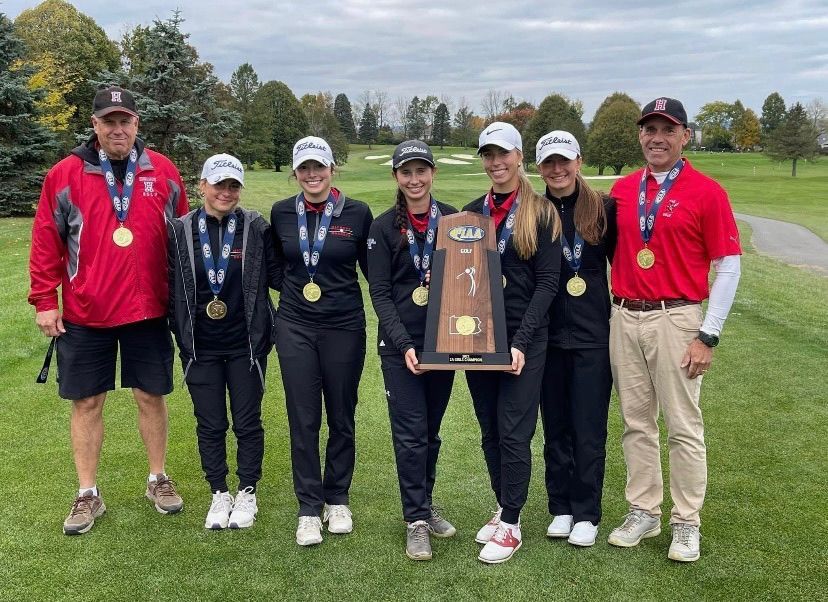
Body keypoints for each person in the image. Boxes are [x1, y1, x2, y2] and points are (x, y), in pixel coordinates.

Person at [28, 86, 189, 535]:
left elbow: (182, 241)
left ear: (137, 124)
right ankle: (87, 493)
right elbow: (46, 241)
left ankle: (157, 478)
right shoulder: (65, 174)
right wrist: (45, 299)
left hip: (148, 310)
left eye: (126, 121)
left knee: (150, 396)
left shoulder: (164, 171)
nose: (118, 129)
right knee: (87, 401)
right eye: (109, 121)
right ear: (95, 125)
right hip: (86, 312)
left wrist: (182, 299)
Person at [606, 97, 741, 562]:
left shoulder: (707, 192)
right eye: (650, 129)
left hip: (678, 316)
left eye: (668, 130)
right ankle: (644, 510)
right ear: (640, 135)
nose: (657, 138)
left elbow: (727, 266)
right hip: (624, 314)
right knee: (636, 423)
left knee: (683, 425)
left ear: (685, 136)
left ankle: (686, 522)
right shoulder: (622, 191)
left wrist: (708, 334)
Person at [463, 122, 561, 564]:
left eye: (503, 154)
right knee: (489, 429)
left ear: (520, 157)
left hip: (524, 340)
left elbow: (547, 284)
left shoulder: (540, 213)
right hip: (478, 339)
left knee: (514, 431)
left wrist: (521, 341)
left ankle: (513, 523)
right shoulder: (469, 214)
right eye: (488, 155)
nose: (496, 162)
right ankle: (503, 507)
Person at [168, 154, 280, 529]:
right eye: (219, 185)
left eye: (233, 186)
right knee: (210, 423)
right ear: (202, 186)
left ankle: (247, 491)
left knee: (248, 422)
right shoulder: (179, 230)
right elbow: (168, 286)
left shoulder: (256, 228)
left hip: (245, 346)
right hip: (200, 346)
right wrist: (178, 330)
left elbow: (280, 276)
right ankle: (219, 492)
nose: (226, 192)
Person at [270, 136, 373, 546]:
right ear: (296, 173)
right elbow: (275, 269)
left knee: (342, 414)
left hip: (344, 326)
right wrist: (298, 291)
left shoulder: (357, 213)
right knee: (303, 416)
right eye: (304, 168)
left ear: (332, 169)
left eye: (320, 166)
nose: (312, 175)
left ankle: (338, 497)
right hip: (295, 325)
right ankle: (309, 507)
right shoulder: (281, 213)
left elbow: (373, 272)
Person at [366, 141, 458, 561]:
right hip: (400, 348)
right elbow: (381, 293)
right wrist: (403, 343)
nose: (414, 180)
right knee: (409, 433)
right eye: (406, 173)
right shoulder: (384, 227)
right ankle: (415, 520)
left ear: (433, 173)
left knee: (430, 433)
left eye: (421, 171)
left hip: (445, 345)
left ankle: (425, 502)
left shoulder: (456, 221)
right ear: (396, 178)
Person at [535, 131, 616, 548]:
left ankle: (587, 512)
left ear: (579, 161)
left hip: (592, 337)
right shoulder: (534, 211)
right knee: (556, 426)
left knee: (588, 427)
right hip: (547, 338)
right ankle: (560, 507)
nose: (557, 169)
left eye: (564, 161)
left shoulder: (603, 208)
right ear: (538, 167)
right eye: (549, 162)